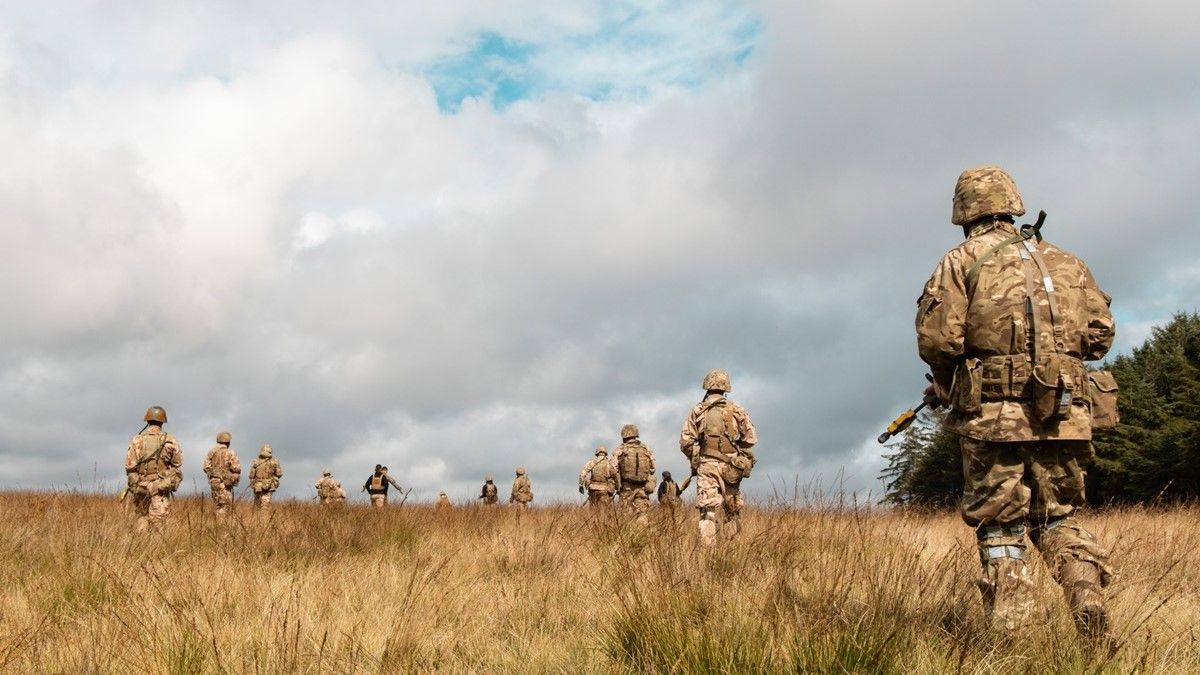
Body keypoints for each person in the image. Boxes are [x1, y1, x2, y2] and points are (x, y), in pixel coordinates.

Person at [916, 166, 1117, 639]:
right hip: (1065, 414)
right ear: (1012, 204)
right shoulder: (1067, 262)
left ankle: (1013, 637)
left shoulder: (960, 262)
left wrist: (947, 386)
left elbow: (938, 342)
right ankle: (1087, 595)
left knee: (1002, 525)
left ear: (964, 210)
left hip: (993, 419)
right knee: (1060, 517)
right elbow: (1100, 336)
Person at [679, 369, 758, 546]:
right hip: (732, 466)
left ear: (707, 386)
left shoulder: (698, 410)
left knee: (707, 509)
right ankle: (733, 548)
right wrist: (739, 455)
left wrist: (695, 457)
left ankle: (709, 550)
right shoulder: (736, 409)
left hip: (707, 464)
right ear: (726, 388)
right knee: (732, 508)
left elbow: (685, 442)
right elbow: (750, 438)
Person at [124, 406, 184, 532]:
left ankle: (141, 548)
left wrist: (136, 482)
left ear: (147, 420)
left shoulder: (137, 439)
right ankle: (157, 551)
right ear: (163, 421)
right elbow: (177, 464)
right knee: (159, 524)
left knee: (141, 519)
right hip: (160, 486)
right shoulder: (170, 440)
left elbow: (129, 465)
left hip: (140, 486)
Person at [612, 424, 656, 523]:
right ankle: (643, 535)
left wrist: (617, 484)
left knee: (626, 514)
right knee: (642, 513)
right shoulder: (646, 448)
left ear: (624, 435)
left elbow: (613, 468)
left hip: (627, 487)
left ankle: (629, 536)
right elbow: (653, 468)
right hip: (642, 487)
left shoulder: (621, 449)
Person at [202, 431, 241, 516]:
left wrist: (213, 474)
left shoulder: (211, 452)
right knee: (225, 506)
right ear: (228, 442)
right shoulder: (230, 452)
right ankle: (221, 527)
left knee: (217, 505)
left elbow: (205, 467)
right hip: (225, 483)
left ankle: (217, 524)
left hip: (214, 482)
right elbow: (236, 468)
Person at [248, 444, 283, 509]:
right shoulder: (275, 461)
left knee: (257, 506)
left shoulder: (255, 461)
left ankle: (256, 518)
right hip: (269, 485)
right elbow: (279, 474)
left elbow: (251, 475)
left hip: (257, 485)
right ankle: (264, 518)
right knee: (265, 507)